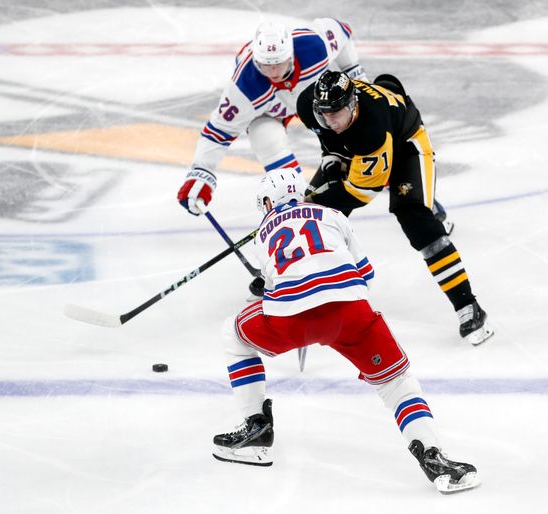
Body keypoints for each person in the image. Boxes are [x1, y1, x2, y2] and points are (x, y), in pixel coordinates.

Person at [212, 168, 480, 495]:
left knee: (233, 333)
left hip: (290, 319)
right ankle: (433, 456)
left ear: (268, 201)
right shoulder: (333, 214)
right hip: (351, 313)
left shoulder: (262, 234)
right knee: (396, 383)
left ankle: (256, 428)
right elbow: (365, 273)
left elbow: (271, 286)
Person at [295, 70, 494, 345]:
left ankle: (468, 306)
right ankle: (290, 280)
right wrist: (333, 157)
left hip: (405, 145)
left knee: (415, 218)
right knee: (314, 218)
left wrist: (315, 203)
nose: (330, 120)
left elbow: (362, 191)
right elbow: (330, 137)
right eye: (324, 114)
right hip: (365, 151)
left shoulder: (370, 127)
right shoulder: (309, 106)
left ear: (353, 104)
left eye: (336, 113)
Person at [177, 18, 367, 217]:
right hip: (269, 112)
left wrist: (353, 71)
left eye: (278, 63)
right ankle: (293, 201)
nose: (273, 72)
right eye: (265, 66)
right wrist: (201, 174)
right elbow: (219, 130)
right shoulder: (245, 86)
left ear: (291, 55)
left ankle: (375, 161)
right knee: (266, 138)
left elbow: (342, 30)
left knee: (348, 113)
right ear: (256, 60)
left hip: (312, 96)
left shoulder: (313, 45)